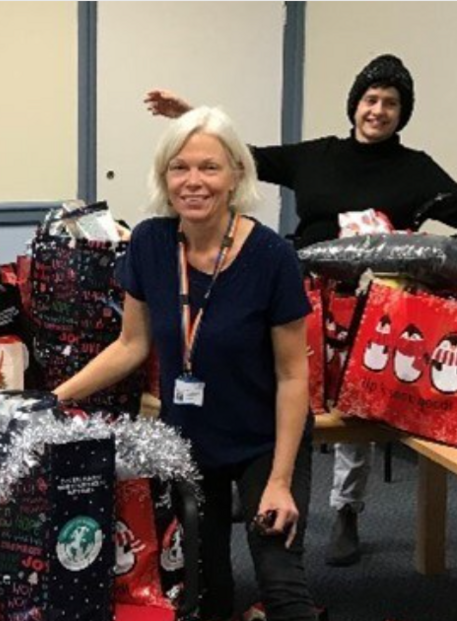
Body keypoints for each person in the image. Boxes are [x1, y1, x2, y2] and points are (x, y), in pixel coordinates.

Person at [145, 54, 457, 567]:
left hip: (372, 316)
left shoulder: (418, 169)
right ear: (355, 104)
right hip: (301, 300)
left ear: (404, 113)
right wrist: (191, 116)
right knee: (281, 391)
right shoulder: (319, 155)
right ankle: (253, 483)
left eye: (391, 103)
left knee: (356, 413)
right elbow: (243, 157)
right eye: (371, 99)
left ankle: (347, 510)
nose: (378, 110)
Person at [55, 107, 316, 621]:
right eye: (180, 167)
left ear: (236, 175)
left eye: (209, 168)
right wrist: (53, 398)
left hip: (267, 439)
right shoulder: (151, 243)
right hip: (191, 441)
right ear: (163, 176)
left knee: (280, 581)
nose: (193, 181)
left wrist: (281, 479)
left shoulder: (271, 257)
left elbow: (293, 375)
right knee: (206, 586)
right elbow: (131, 345)